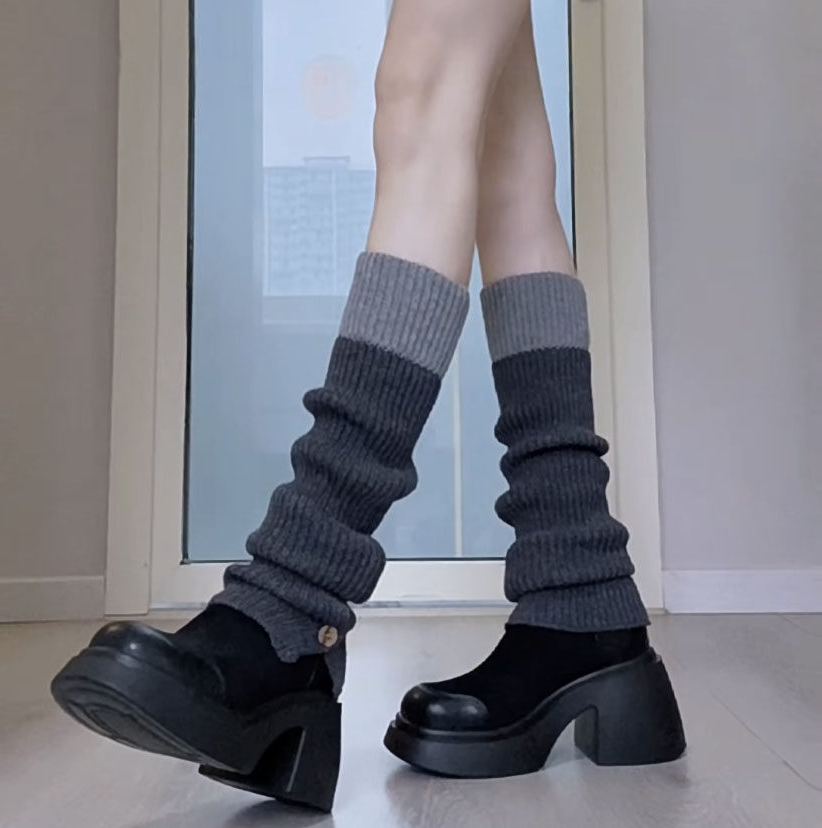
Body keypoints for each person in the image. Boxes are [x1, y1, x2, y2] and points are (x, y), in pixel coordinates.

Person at [51, 0, 685, 813]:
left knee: (423, 85)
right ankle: (582, 596)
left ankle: (292, 600)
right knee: (509, 168)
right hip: (583, 602)